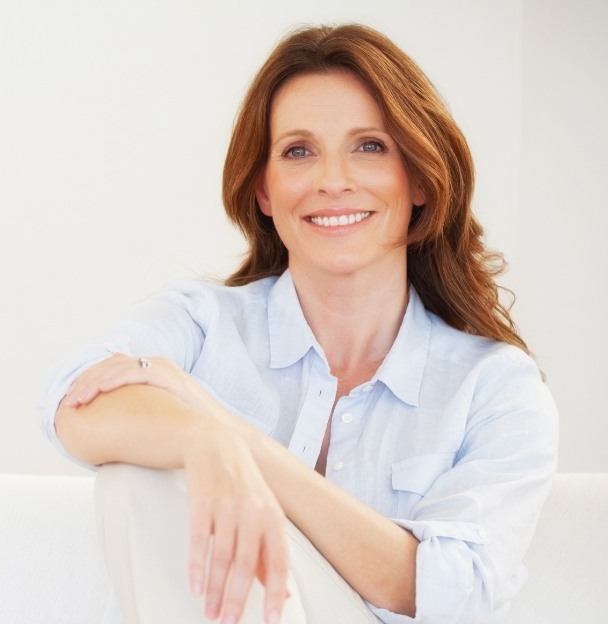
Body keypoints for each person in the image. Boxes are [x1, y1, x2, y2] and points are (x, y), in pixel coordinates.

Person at [37, 24, 557, 624]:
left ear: (417, 177)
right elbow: (72, 396)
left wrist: (238, 442)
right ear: (263, 188)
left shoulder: (497, 386)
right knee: (138, 478)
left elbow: (443, 591)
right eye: (298, 151)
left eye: (369, 146)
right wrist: (199, 442)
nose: (332, 180)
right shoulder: (204, 322)